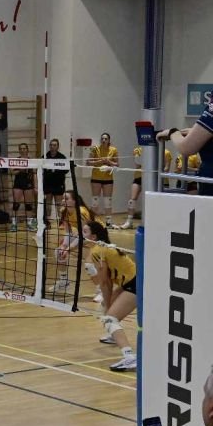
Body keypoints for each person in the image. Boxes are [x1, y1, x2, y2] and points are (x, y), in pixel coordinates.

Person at [82, 221, 137, 372]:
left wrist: (108, 305)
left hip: (136, 283)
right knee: (106, 309)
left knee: (109, 318)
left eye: (85, 232)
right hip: (130, 281)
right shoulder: (101, 247)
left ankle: (129, 357)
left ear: (93, 236)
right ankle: (115, 334)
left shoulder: (97, 251)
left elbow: (105, 283)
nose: (82, 235)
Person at [53, 189, 92, 294]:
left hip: (95, 236)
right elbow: (68, 232)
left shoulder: (81, 212)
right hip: (82, 234)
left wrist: (69, 248)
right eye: (63, 198)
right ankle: (63, 281)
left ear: (74, 201)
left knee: (91, 263)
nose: (63, 200)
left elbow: (85, 234)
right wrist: (64, 246)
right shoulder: (64, 211)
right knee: (59, 251)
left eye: (66, 198)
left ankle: (100, 290)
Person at [87, 132, 118, 225]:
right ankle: (92, 221)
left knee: (107, 201)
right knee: (95, 200)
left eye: (106, 139)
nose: (104, 140)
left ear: (109, 140)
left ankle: (108, 221)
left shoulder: (113, 150)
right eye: (102, 139)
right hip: (96, 177)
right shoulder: (95, 149)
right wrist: (100, 161)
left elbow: (117, 164)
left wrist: (108, 162)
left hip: (108, 179)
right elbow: (88, 162)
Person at [9, 143, 36, 233]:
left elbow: (34, 174)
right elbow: (13, 172)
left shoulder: (31, 161)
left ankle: (29, 224)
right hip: (18, 184)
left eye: (24, 148)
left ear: (27, 150)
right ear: (19, 150)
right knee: (16, 204)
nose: (22, 150)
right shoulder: (16, 160)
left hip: (28, 184)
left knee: (28, 205)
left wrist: (36, 186)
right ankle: (14, 224)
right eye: (21, 148)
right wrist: (21, 169)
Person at [43, 138, 68, 226]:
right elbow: (41, 169)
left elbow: (66, 170)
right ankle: (47, 222)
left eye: (54, 145)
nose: (52, 147)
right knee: (48, 204)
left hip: (58, 184)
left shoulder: (62, 157)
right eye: (51, 145)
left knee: (59, 204)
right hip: (47, 184)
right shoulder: (45, 157)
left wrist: (56, 170)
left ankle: (61, 222)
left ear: (57, 147)